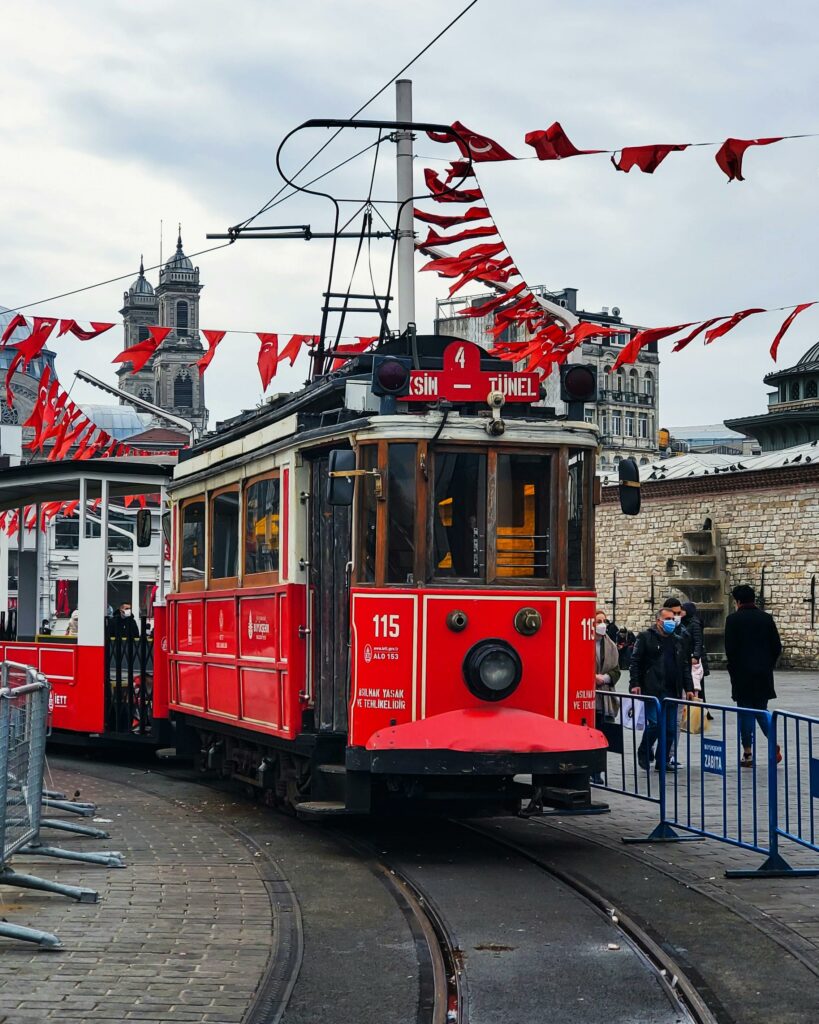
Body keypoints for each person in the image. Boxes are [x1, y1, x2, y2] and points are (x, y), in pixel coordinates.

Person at [629, 607, 694, 771]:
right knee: (655, 724)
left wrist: (689, 687)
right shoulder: (645, 637)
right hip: (653, 688)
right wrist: (635, 683)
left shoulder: (678, 640)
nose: (672, 622)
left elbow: (684, 666)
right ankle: (644, 750)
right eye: (668, 619)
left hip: (673, 689)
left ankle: (662, 760)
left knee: (671, 728)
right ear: (658, 621)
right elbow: (635, 662)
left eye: (673, 618)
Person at [724, 584, 782, 767]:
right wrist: (767, 664)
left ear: (738, 601)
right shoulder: (765, 618)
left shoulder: (733, 620)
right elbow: (776, 646)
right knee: (762, 710)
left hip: (742, 674)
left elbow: (730, 648)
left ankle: (747, 752)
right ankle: (773, 743)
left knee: (746, 713)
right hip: (763, 674)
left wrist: (734, 668)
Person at [593, 609, 621, 783]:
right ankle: (592, 770)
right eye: (598, 621)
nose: (602, 624)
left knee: (603, 734)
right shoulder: (582, 642)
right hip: (589, 697)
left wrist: (605, 678)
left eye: (604, 620)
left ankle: (598, 771)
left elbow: (617, 670)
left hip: (605, 696)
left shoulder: (610, 645)